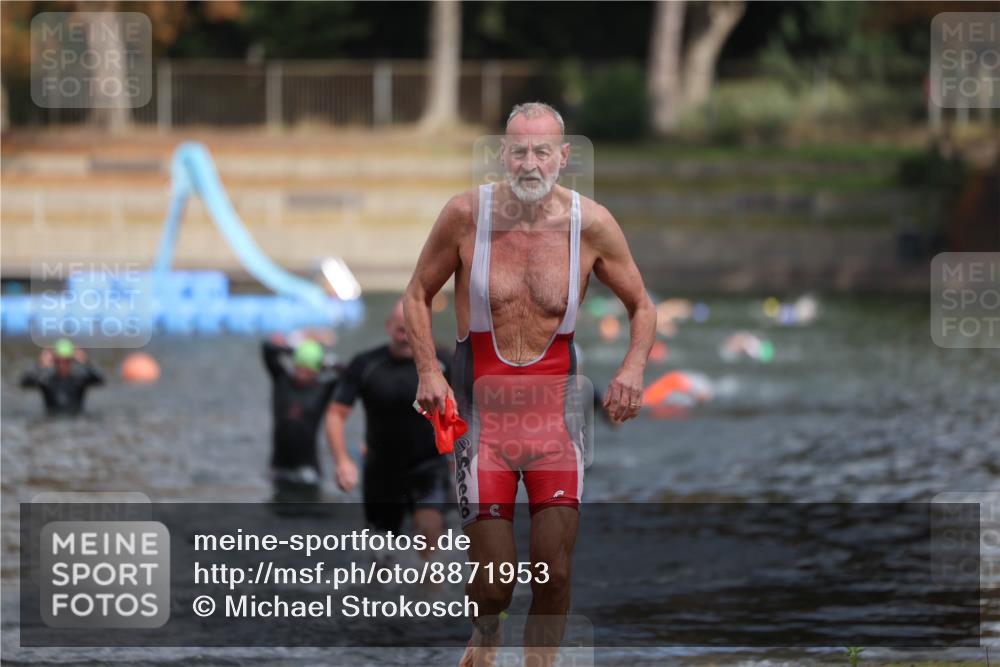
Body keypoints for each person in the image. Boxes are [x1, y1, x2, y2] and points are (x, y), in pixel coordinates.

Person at [403, 102, 656, 667]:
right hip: (482, 422)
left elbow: (641, 305)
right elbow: (416, 294)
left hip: (556, 424)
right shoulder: (466, 215)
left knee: (555, 571)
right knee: (495, 585)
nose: (530, 162)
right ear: (502, 154)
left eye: (542, 151)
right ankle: (486, 634)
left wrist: (632, 368)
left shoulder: (590, 225)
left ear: (563, 157)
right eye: (518, 150)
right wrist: (427, 368)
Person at [325, 299, 452, 560]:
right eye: (400, 329)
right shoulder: (366, 364)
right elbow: (336, 414)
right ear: (388, 326)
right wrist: (342, 461)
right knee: (381, 556)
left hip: (429, 465)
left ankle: (432, 599)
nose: (406, 336)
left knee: (429, 533)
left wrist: (464, 454)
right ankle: (380, 599)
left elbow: (473, 408)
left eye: (412, 329)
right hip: (381, 471)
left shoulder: (444, 363)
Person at [262, 331, 339, 502]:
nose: (302, 374)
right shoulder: (282, 381)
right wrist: (296, 348)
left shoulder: (322, 390)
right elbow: (267, 349)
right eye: (299, 368)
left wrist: (326, 361)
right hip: (279, 467)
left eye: (308, 370)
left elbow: (348, 374)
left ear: (317, 371)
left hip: (308, 469)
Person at [20, 338, 104, 416]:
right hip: (52, 419)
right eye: (59, 361)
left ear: (71, 361)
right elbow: (24, 383)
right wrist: (39, 365)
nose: (63, 364)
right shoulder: (47, 381)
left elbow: (100, 380)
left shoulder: (79, 380)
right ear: (55, 361)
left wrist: (86, 362)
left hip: (76, 418)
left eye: (66, 361)